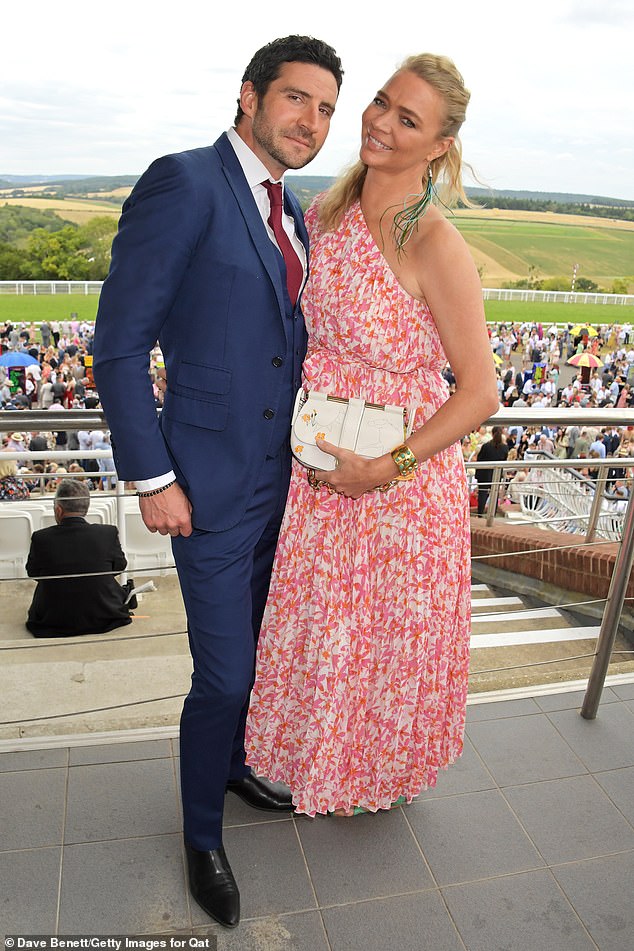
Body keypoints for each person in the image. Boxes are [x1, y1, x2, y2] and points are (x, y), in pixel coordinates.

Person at [92, 35, 343, 929]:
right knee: (226, 674)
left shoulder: (294, 210)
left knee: (260, 656)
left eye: (324, 108)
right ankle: (203, 834)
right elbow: (118, 343)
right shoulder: (186, 181)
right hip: (203, 487)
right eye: (295, 99)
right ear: (249, 97)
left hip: (288, 487)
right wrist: (154, 474)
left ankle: (234, 766)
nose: (310, 120)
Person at [245, 55, 498, 816]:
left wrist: (386, 468)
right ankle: (323, 764)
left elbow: (481, 392)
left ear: (439, 146)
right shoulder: (331, 207)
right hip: (324, 463)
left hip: (396, 487)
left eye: (408, 119)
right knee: (329, 632)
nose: (381, 124)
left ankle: (372, 777)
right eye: (383, 103)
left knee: (381, 644)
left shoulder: (435, 243)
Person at [25, 479, 132, 637]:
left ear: (59, 510)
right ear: (86, 509)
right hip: (104, 615)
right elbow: (120, 566)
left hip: (53, 618)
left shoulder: (41, 538)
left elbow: (33, 572)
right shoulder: (107, 533)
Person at [475, 426, 510, 516]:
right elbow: (504, 460)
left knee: (482, 493)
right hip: (496, 474)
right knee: (494, 493)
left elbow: (479, 459)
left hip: (484, 474)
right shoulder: (504, 448)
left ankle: (480, 513)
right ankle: (492, 513)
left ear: (492, 433)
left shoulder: (486, 446)